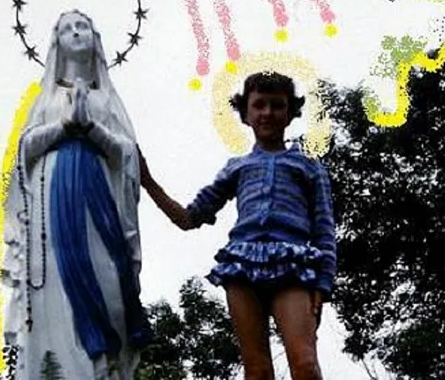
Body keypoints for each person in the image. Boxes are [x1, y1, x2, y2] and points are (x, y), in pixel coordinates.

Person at [138, 71, 336, 380]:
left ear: (290, 112)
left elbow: (324, 229)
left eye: (276, 105)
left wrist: (323, 284)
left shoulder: (308, 166)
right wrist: (148, 182)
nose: (267, 113)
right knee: (256, 371)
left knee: (305, 364)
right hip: (242, 267)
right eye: (259, 105)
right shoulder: (237, 168)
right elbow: (189, 218)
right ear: (245, 114)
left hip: (293, 265)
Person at [1, 10, 150, 380]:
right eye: (67, 28)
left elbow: (127, 153)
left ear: (96, 39)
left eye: (83, 25)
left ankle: (108, 363)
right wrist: (66, 127)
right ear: (57, 42)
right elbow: (25, 149)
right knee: (58, 282)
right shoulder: (47, 100)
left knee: (110, 278)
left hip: (100, 198)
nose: (76, 32)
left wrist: (93, 129)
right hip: (53, 201)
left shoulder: (106, 100)